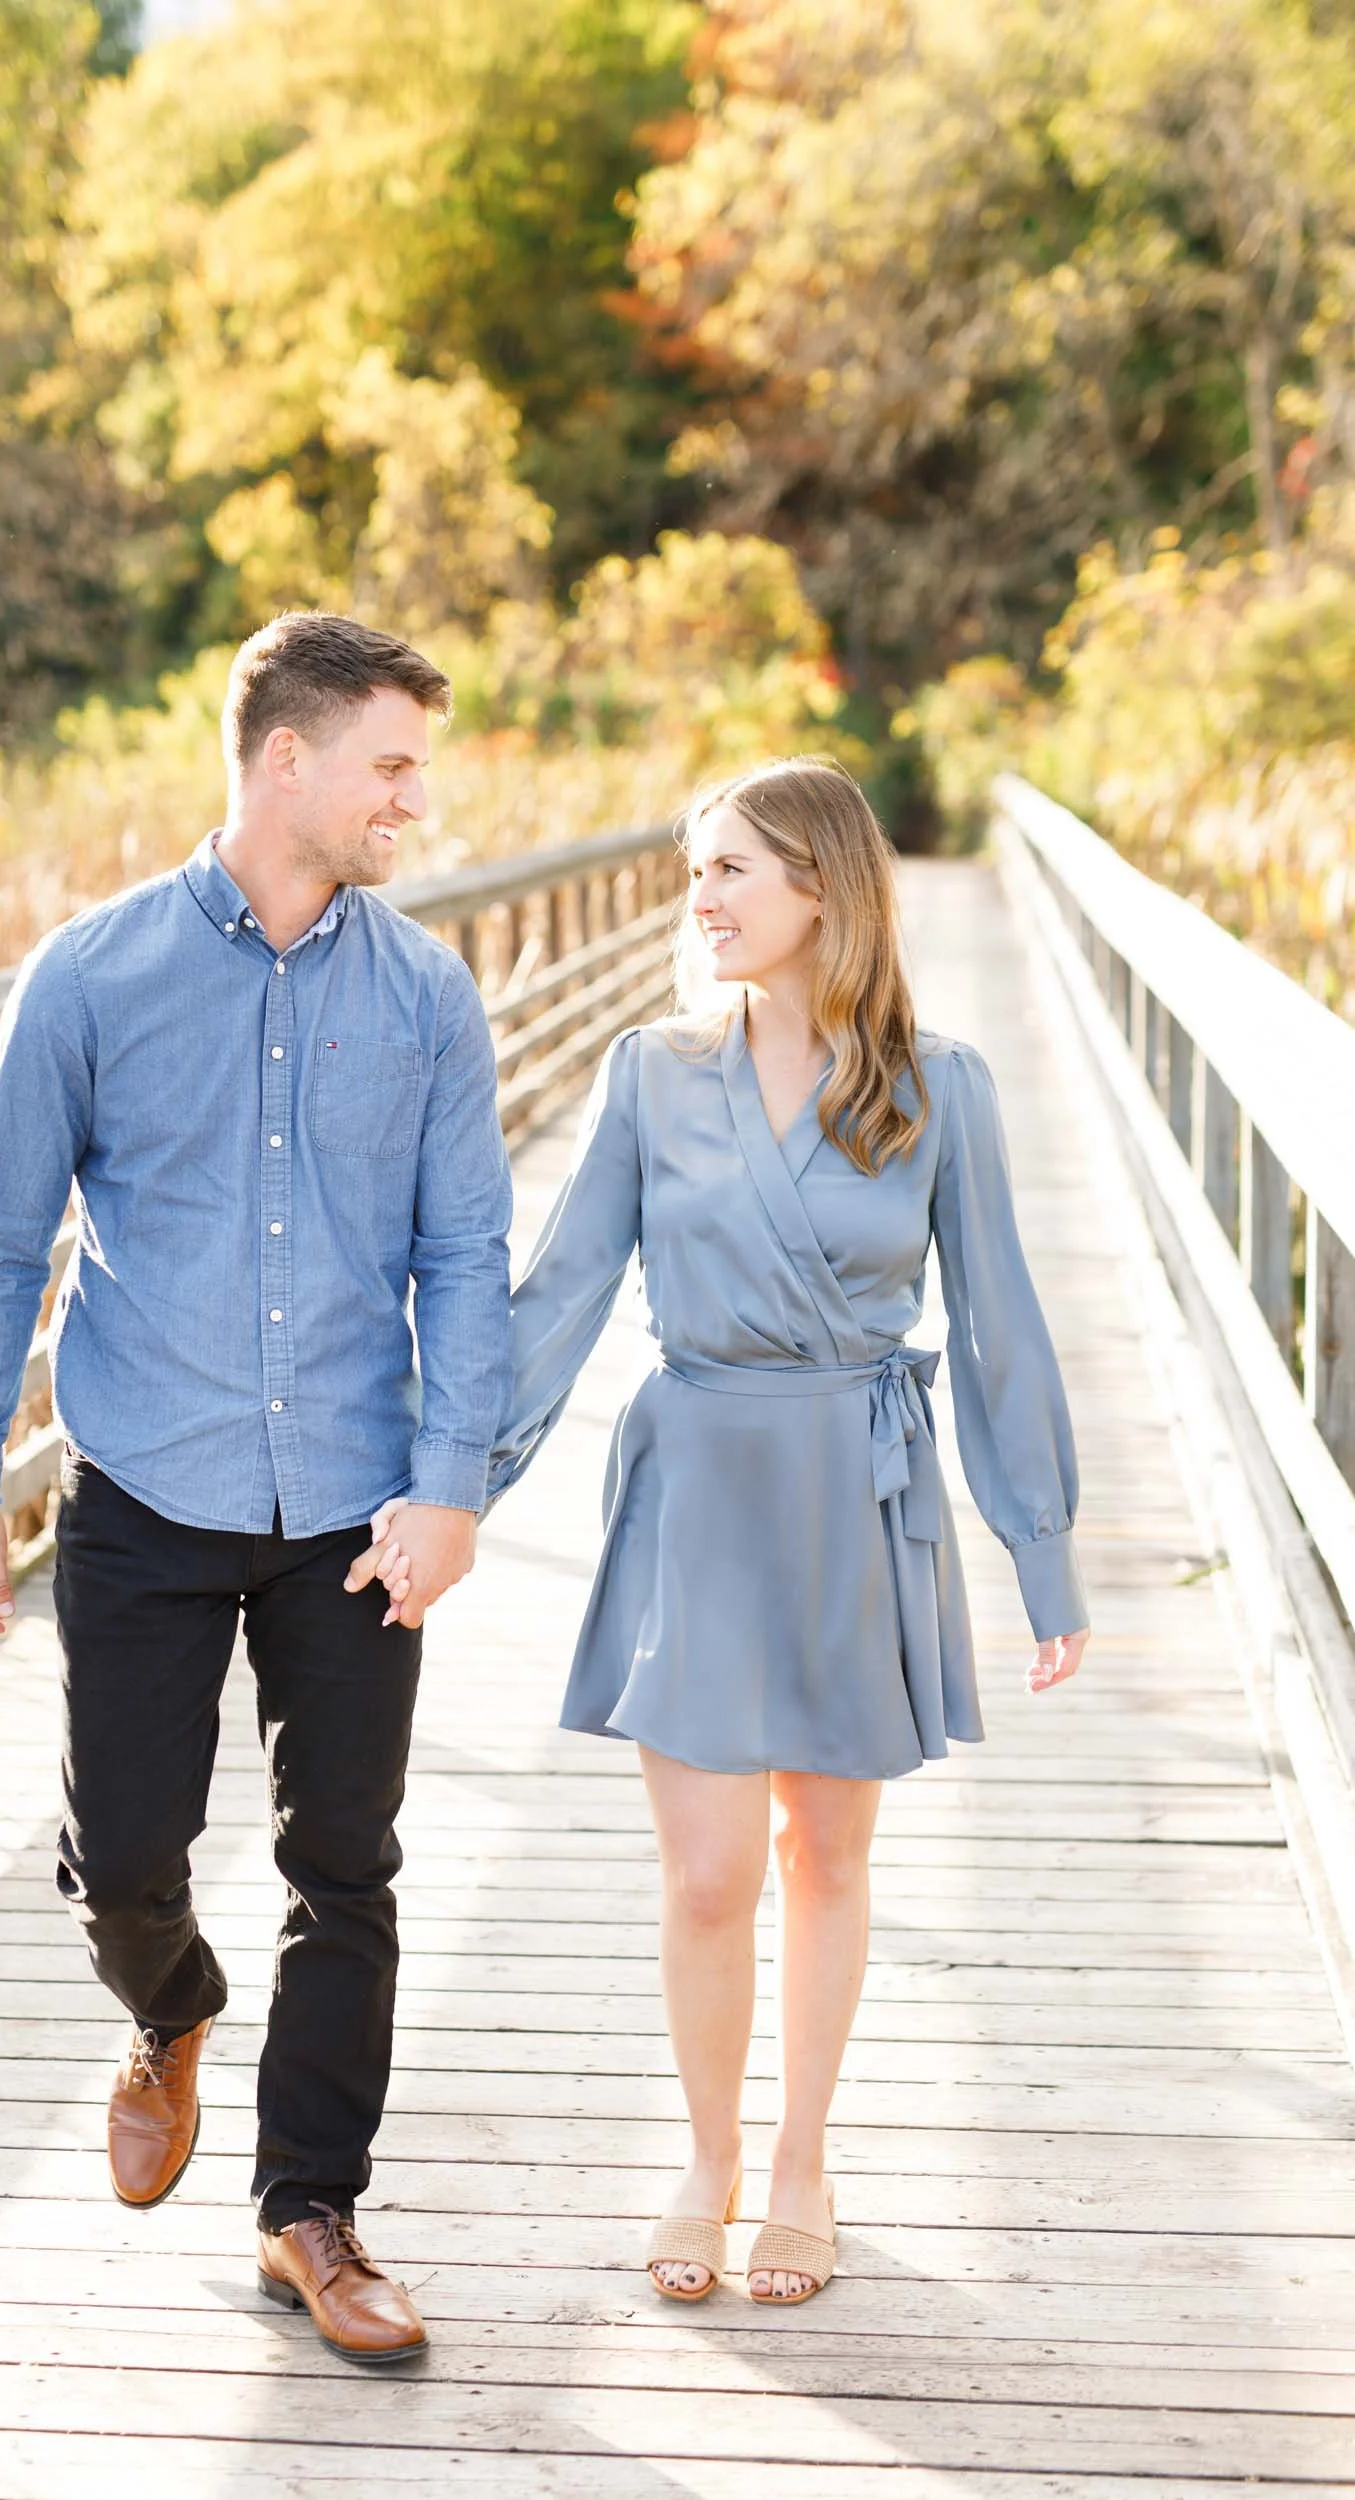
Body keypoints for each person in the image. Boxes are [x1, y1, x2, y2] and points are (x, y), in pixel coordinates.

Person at [354, 756, 1089, 2307]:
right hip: (693, 1477)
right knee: (703, 1874)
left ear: (822, 888)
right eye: (695, 871)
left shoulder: (939, 1082)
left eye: (728, 871)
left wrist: (1038, 1544)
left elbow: (1003, 1321)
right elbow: (554, 1296)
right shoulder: (649, 1072)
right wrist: (452, 1481)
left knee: (824, 1851)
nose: (698, 902)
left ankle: (805, 2164)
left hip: (851, 1490)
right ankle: (707, 2157)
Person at [0, 611, 513, 2366]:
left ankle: (309, 2216)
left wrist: (452, 1484)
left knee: (346, 1866)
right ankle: (166, 2009)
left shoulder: (425, 994)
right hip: (146, 1492)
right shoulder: (92, 978)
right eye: (391, 764)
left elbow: (467, 1256)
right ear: (288, 762)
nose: (414, 797)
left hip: (351, 1505)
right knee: (121, 1861)